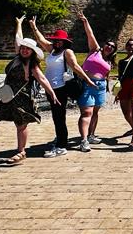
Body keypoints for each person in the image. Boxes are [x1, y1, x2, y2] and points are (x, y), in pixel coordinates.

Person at [0, 15, 59, 164]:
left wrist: (52, 94)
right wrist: (19, 24)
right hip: (7, 97)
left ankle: (21, 151)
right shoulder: (17, 58)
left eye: (27, 49)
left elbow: (42, 79)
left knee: (21, 126)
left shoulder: (32, 65)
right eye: (23, 48)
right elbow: (18, 38)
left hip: (21, 99)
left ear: (32, 52)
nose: (24, 50)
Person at [28, 18, 97, 157]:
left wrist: (88, 80)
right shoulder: (53, 50)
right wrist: (33, 26)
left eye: (59, 40)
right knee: (57, 116)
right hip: (50, 88)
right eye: (55, 40)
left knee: (59, 117)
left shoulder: (67, 52)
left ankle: (61, 145)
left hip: (60, 88)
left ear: (65, 42)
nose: (56, 42)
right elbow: (41, 40)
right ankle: (60, 141)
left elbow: (76, 67)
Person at [76, 14, 117, 152]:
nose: (109, 47)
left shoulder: (110, 62)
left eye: (112, 47)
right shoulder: (95, 51)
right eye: (108, 44)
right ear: (104, 45)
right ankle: (84, 140)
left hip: (100, 86)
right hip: (87, 84)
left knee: (95, 112)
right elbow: (90, 34)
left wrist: (107, 86)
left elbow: (106, 74)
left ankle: (91, 134)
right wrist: (85, 21)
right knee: (86, 112)